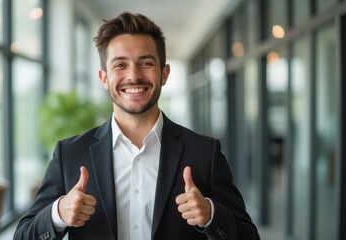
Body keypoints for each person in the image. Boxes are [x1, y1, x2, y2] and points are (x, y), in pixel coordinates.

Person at [14, 12, 260, 240]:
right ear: (104, 78)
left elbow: (249, 236)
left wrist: (211, 215)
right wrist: (57, 214)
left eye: (146, 63)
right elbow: (23, 234)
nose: (133, 75)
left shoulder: (205, 153)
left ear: (164, 74)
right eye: (120, 64)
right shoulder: (69, 154)